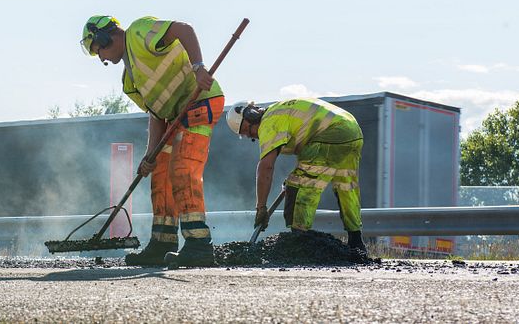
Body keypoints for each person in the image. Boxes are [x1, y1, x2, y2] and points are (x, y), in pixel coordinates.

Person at [80, 15, 225, 266]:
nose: (102, 58)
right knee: (160, 175)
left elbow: (184, 29)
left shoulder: (139, 32)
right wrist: (150, 155)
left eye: (99, 49)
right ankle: (162, 244)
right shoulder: (129, 81)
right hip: (173, 117)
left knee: (181, 169)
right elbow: (157, 113)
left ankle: (199, 245)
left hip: (201, 101)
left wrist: (199, 67)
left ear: (107, 35)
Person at [225, 98, 367, 252]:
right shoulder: (279, 111)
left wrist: (261, 208)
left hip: (331, 133)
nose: (251, 136)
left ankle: (299, 243)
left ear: (250, 116)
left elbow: (265, 167)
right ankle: (356, 242)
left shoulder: (269, 122)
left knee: (298, 186)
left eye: (246, 131)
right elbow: (308, 151)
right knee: (346, 187)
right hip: (352, 130)